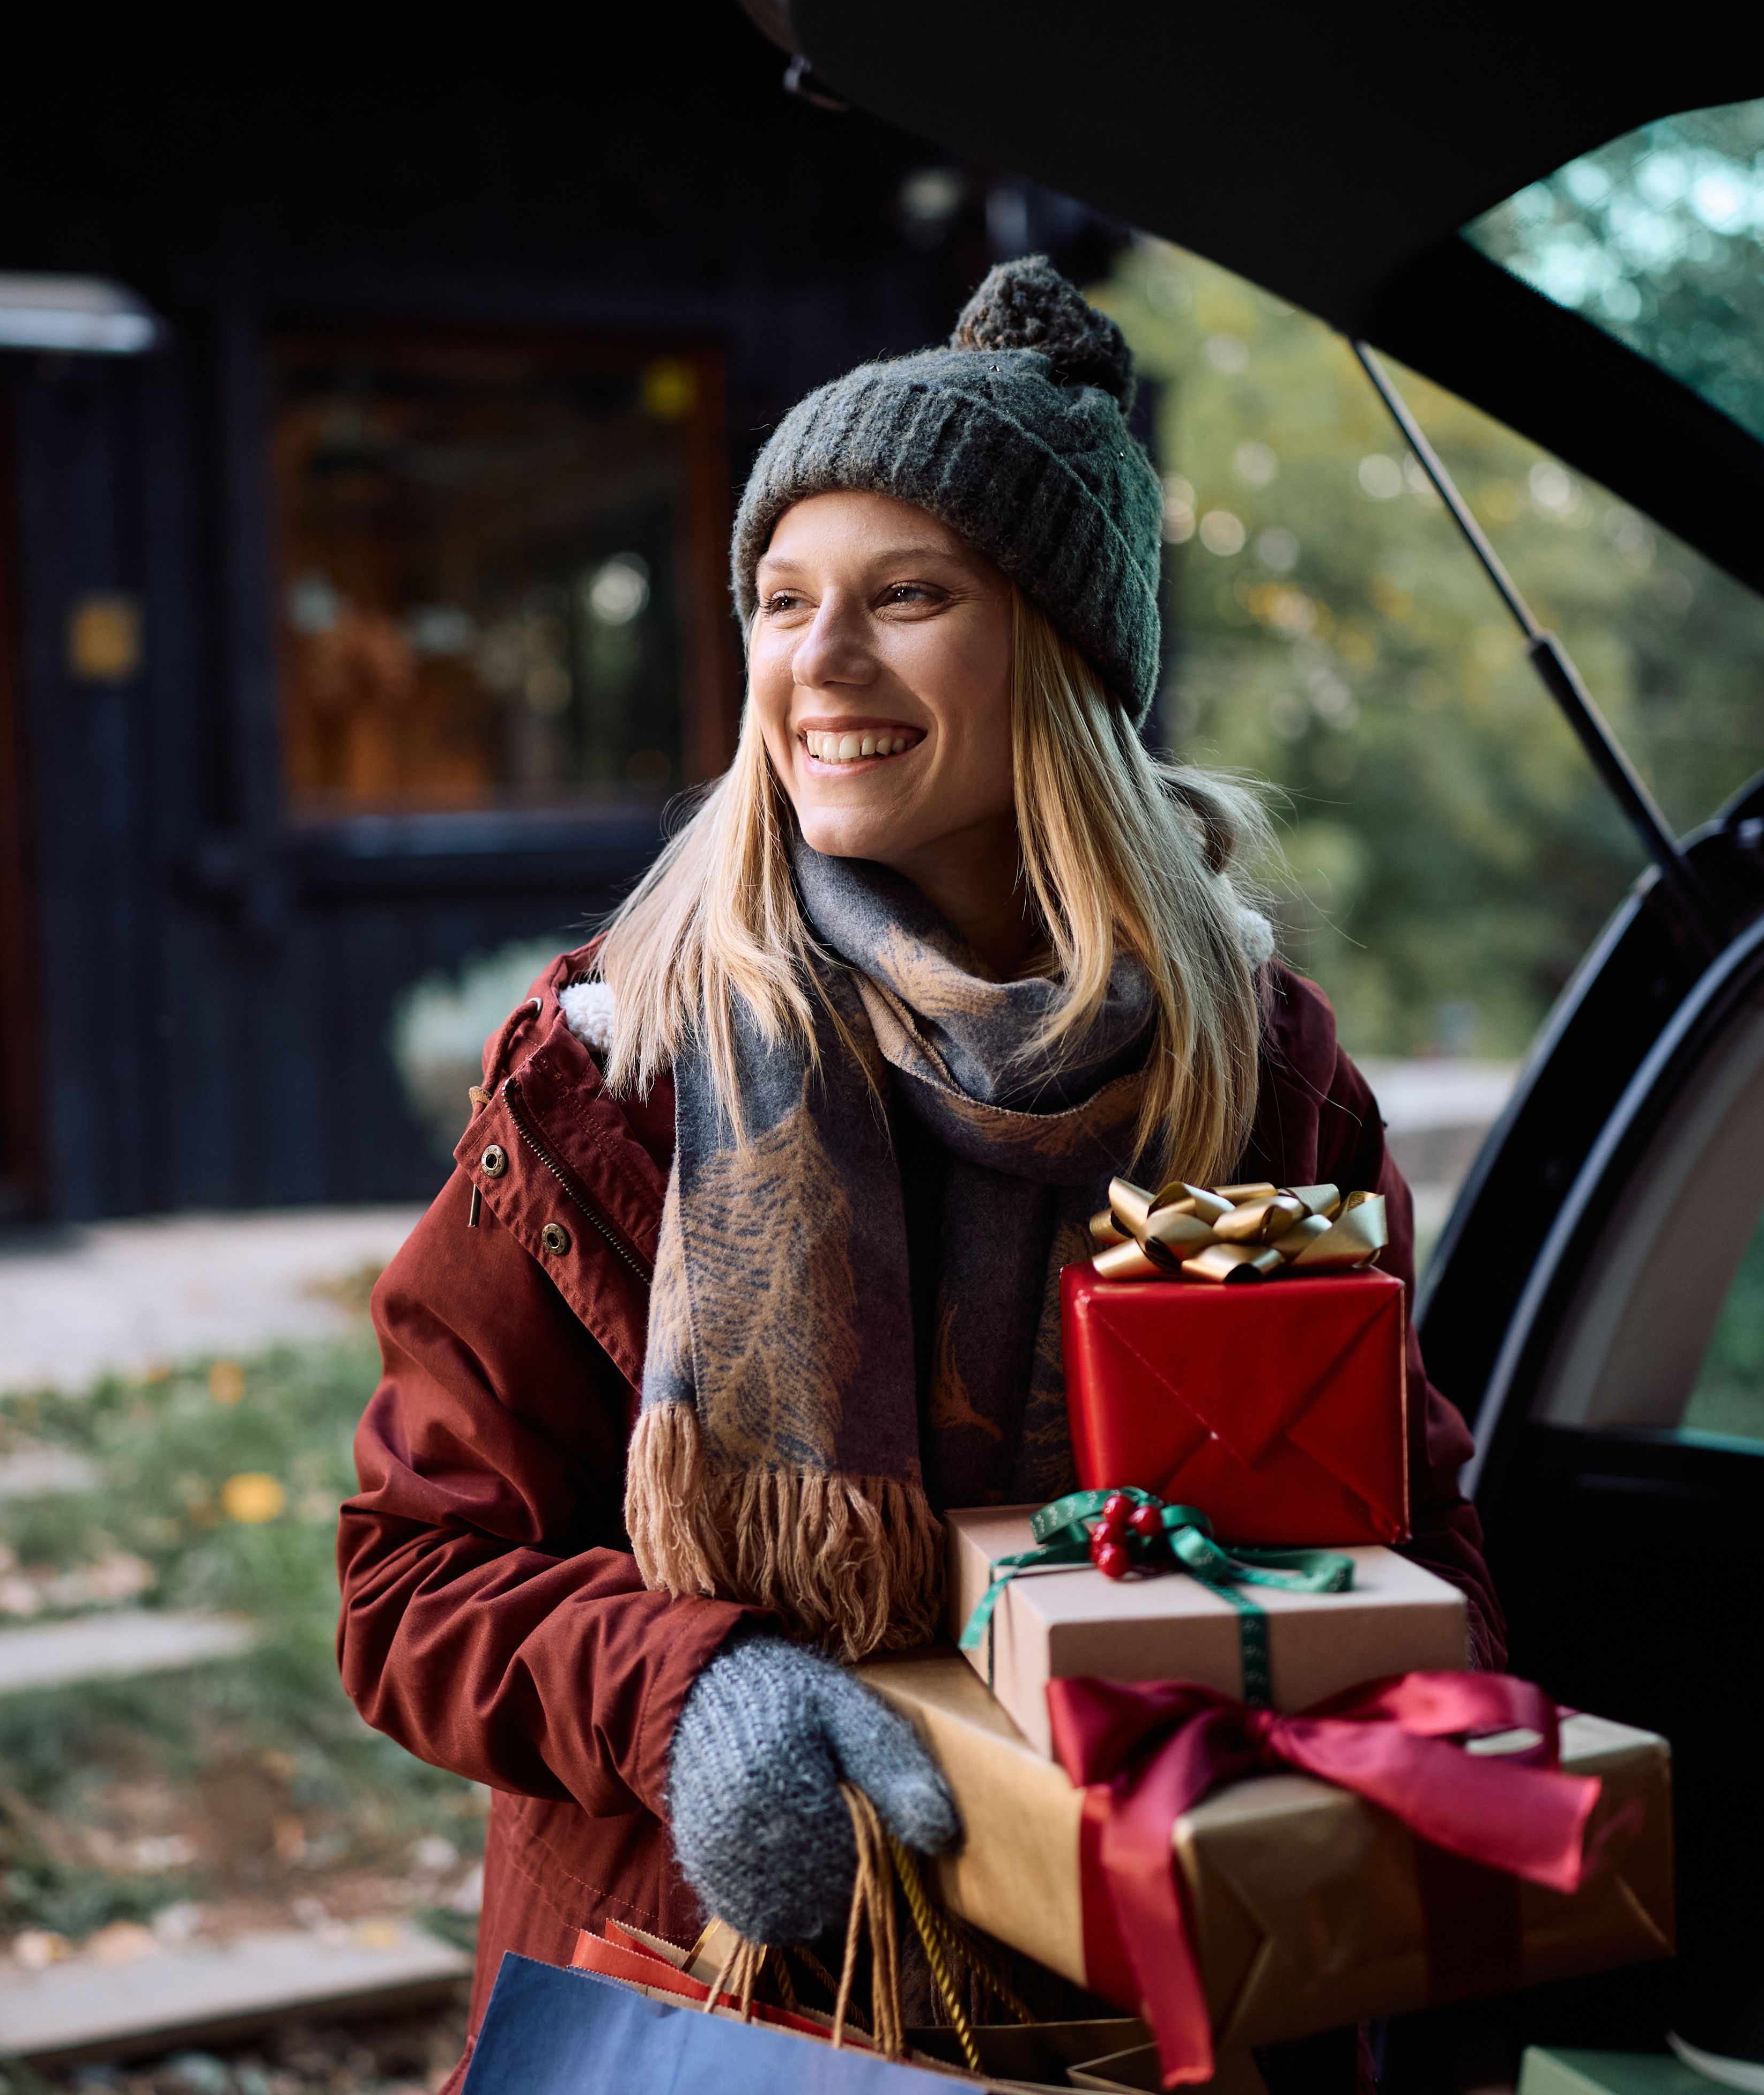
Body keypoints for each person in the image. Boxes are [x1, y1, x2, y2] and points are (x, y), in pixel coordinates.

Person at [336, 259, 1501, 2075]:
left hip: (1155, 2004)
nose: (823, 663)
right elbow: (411, 1577)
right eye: (784, 602)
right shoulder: (619, 1064)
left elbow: (1418, 1545)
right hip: (721, 2002)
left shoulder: (1262, 1076)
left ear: (1058, 649)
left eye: (910, 596)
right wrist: (691, 1690)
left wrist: (1302, 1729)